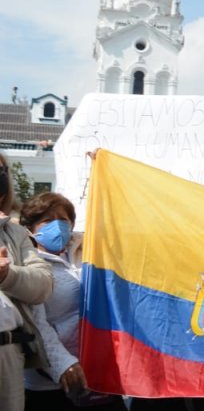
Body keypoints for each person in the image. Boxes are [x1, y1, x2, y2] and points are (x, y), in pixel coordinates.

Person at [20, 193, 124, 410]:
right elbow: (36, 323)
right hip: (53, 383)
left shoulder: (89, 254)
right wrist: (63, 365)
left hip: (98, 375)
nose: (57, 226)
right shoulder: (27, 266)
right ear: (31, 228)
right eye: (47, 221)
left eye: (63, 219)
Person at [0, 151, 54, 411]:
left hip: (9, 352)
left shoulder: (14, 231)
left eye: (1, 172)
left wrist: (8, 276)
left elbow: (43, 284)